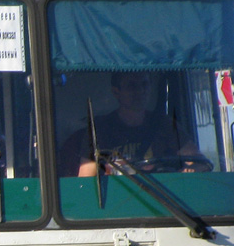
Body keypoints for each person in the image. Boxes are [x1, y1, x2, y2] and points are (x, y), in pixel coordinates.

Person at [64, 72, 203, 177]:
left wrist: (188, 172)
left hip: (165, 204)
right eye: (132, 86)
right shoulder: (100, 129)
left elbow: (201, 163)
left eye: (144, 84)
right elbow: (86, 178)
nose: (140, 91)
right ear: (116, 92)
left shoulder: (164, 125)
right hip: (116, 205)